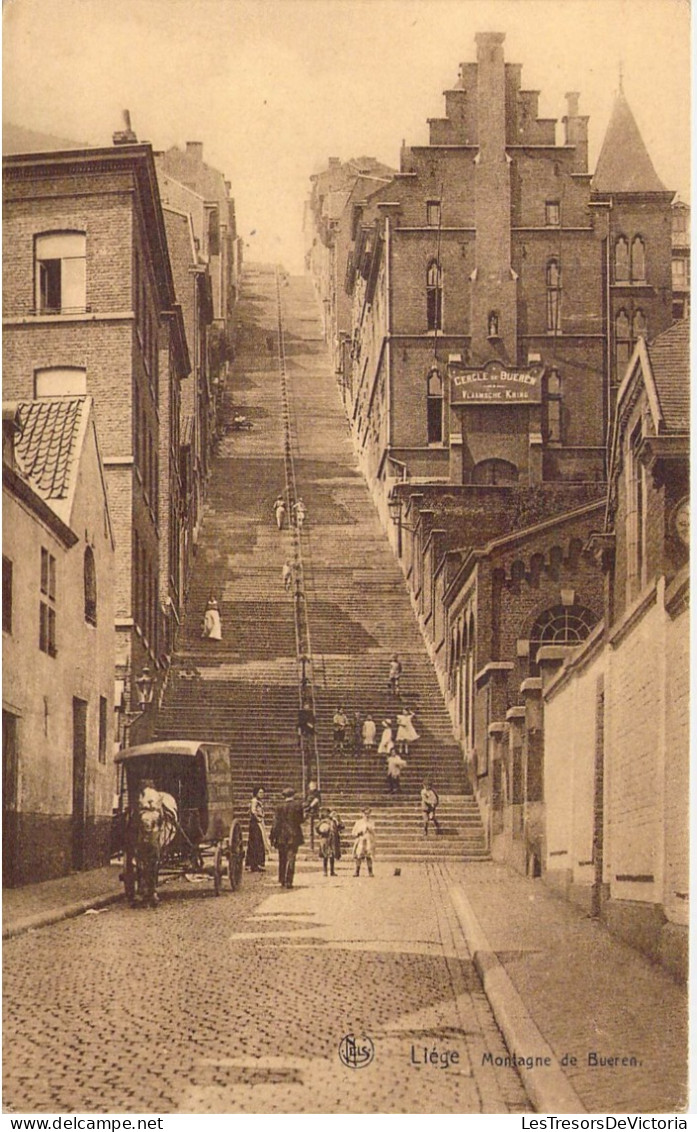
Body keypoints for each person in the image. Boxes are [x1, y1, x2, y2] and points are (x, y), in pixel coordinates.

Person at [270, 787, 305, 888]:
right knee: (291, 858)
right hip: (294, 835)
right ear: (293, 795)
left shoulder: (279, 807)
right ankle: (289, 881)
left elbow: (276, 823)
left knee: (282, 858)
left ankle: (282, 879)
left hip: (281, 835)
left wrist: (273, 836)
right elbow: (301, 820)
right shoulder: (297, 806)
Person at [245, 786, 270, 871]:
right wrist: (258, 818)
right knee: (256, 843)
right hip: (255, 824)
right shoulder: (254, 801)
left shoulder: (258, 802)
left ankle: (257, 863)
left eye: (263, 793)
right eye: (260, 793)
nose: (262, 794)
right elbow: (253, 811)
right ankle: (254, 864)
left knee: (259, 842)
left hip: (258, 823)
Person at [316, 808, 343, 876]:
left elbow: (341, 827)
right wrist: (321, 831)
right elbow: (317, 828)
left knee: (332, 855)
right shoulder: (323, 822)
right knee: (325, 855)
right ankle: (325, 871)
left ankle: (332, 871)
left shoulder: (334, 821)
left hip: (333, 839)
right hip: (325, 839)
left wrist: (338, 820)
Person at [351, 808, 375, 876]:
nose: (367, 815)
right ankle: (357, 871)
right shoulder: (358, 822)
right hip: (361, 840)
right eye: (365, 813)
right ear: (362, 814)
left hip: (368, 841)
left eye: (368, 814)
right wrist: (358, 833)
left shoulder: (371, 822)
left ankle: (370, 872)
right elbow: (353, 833)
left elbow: (373, 832)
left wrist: (369, 829)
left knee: (369, 856)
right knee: (359, 856)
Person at [304, 779, 322, 850]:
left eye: (313, 785)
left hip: (313, 809)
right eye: (311, 785)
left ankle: (312, 845)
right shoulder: (308, 792)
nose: (311, 786)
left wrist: (310, 806)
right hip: (308, 808)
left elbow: (317, 800)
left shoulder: (317, 793)